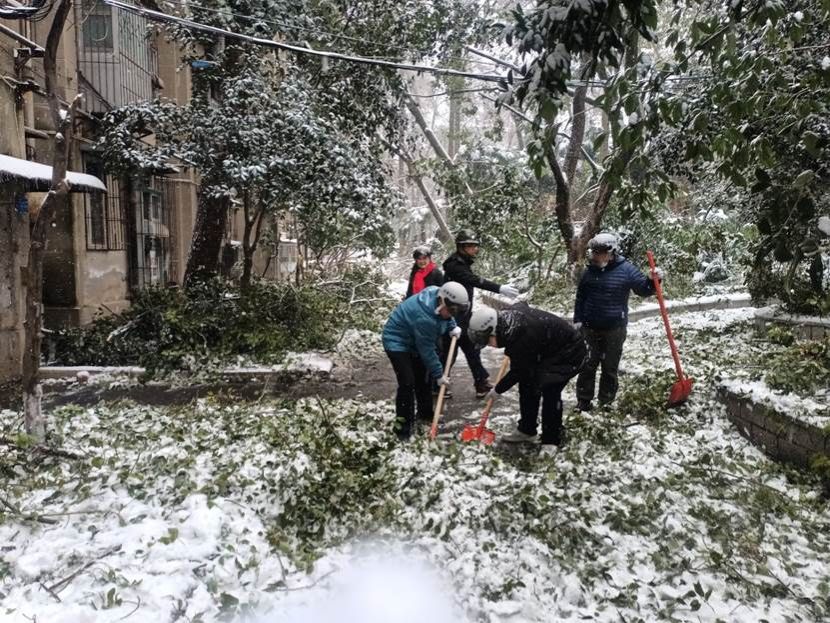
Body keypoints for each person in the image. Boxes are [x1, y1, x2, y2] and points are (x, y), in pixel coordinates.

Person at [468, 303, 587, 454]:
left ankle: (551, 440)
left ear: (494, 332)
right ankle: (527, 429)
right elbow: (521, 304)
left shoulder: (523, 337)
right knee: (528, 384)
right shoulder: (508, 321)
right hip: (546, 349)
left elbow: (518, 371)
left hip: (569, 352)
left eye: (487, 341)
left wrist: (497, 390)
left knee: (550, 390)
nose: (488, 346)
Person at [573, 233, 664, 411]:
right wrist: (578, 321)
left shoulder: (626, 270)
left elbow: (644, 290)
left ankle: (606, 402)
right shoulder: (588, 272)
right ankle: (583, 400)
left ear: (611, 252)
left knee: (609, 367)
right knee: (587, 365)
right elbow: (580, 298)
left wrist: (654, 280)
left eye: (600, 253)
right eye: (594, 252)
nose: (596, 256)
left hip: (614, 329)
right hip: (589, 328)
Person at [382, 282, 468, 439]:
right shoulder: (424, 317)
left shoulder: (438, 297)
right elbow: (427, 350)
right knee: (407, 382)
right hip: (396, 341)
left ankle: (425, 414)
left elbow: (446, 316)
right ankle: (403, 429)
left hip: (414, 340)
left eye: (455, 312)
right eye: (451, 311)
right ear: (441, 301)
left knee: (423, 378)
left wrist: (452, 326)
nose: (452, 315)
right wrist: (439, 375)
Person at [442, 229, 520, 398]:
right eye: (471, 246)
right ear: (461, 247)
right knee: (448, 353)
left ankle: (481, 382)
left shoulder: (462, 263)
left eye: (475, 245)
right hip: (451, 317)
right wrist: (499, 288)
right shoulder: (455, 265)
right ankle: (439, 384)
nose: (475, 249)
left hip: (463, 316)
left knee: (472, 348)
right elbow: (474, 280)